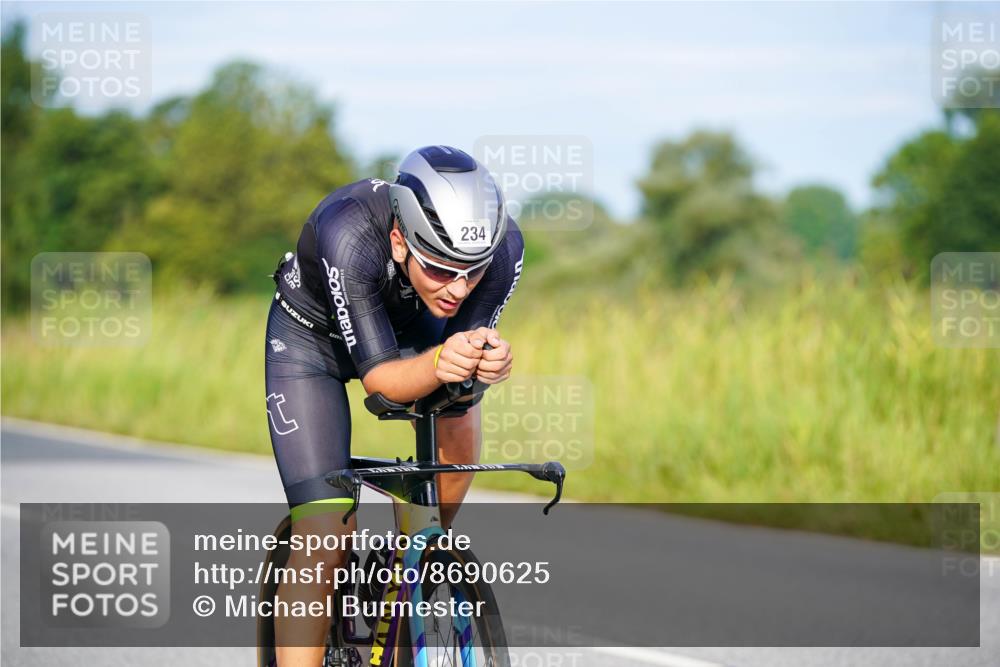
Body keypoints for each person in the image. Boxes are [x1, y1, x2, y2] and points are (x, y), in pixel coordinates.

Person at [264, 145, 523, 666]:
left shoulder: (504, 249)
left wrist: (483, 366)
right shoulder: (350, 228)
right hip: (312, 345)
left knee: (460, 419)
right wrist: (443, 362)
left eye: (471, 272)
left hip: (413, 339)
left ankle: (415, 569)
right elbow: (380, 384)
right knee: (323, 536)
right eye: (442, 269)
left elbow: (460, 358)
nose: (458, 288)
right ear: (401, 241)